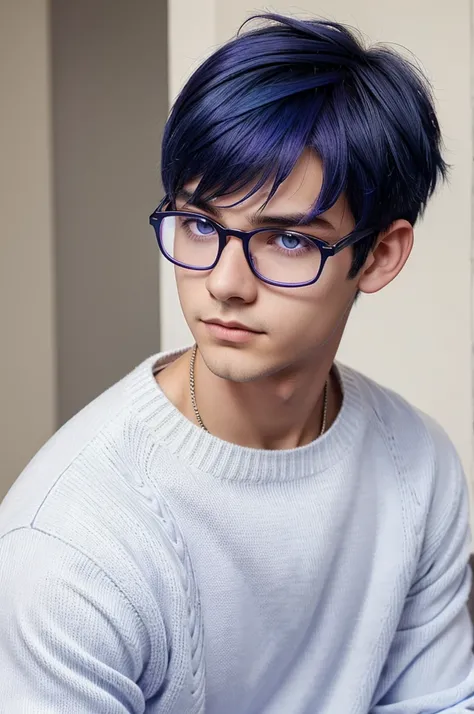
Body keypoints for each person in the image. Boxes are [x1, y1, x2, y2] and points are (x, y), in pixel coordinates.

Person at [0, 12, 473, 714]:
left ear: (379, 255)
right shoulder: (73, 538)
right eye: (199, 225)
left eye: (285, 239)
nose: (224, 282)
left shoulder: (419, 466)